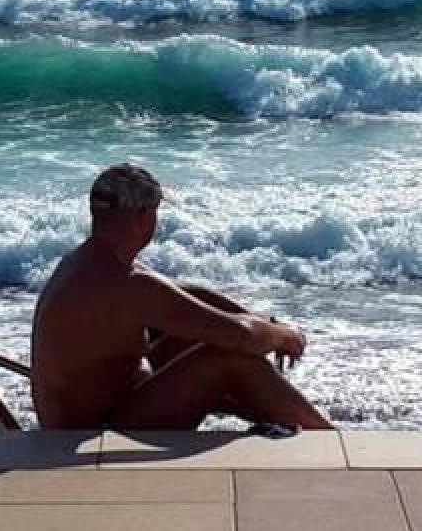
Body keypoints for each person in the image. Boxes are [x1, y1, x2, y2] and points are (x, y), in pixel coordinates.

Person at [31, 163, 333, 430]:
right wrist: (284, 335)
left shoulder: (90, 260)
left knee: (213, 336)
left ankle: (281, 413)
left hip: (100, 405)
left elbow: (181, 297)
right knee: (227, 356)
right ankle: (325, 437)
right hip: (97, 428)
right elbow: (241, 336)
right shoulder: (126, 283)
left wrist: (260, 321)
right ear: (142, 216)